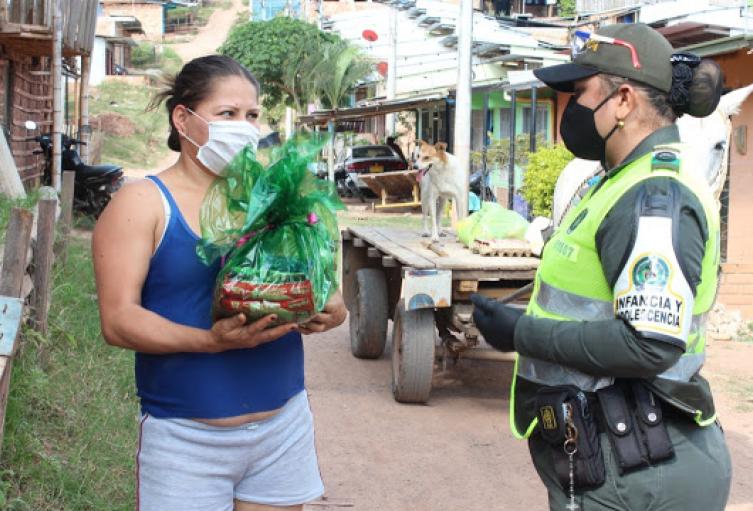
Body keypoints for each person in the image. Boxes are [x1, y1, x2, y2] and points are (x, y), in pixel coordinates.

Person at [471, 24, 732, 510]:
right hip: (620, 456)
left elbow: (648, 343)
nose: (571, 108)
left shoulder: (655, 195)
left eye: (580, 92)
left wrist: (521, 334)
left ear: (625, 100)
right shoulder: (616, 180)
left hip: (641, 469)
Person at [92, 55, 346, 511]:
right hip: (185, 437)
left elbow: (322, 283)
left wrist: (331, 309)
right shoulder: (142, 203)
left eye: (251, 116)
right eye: (226, 114)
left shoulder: (273, 197)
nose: (243, 128)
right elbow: (118, 320)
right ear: (183, 119)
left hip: (282, 427)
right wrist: (211, 341)